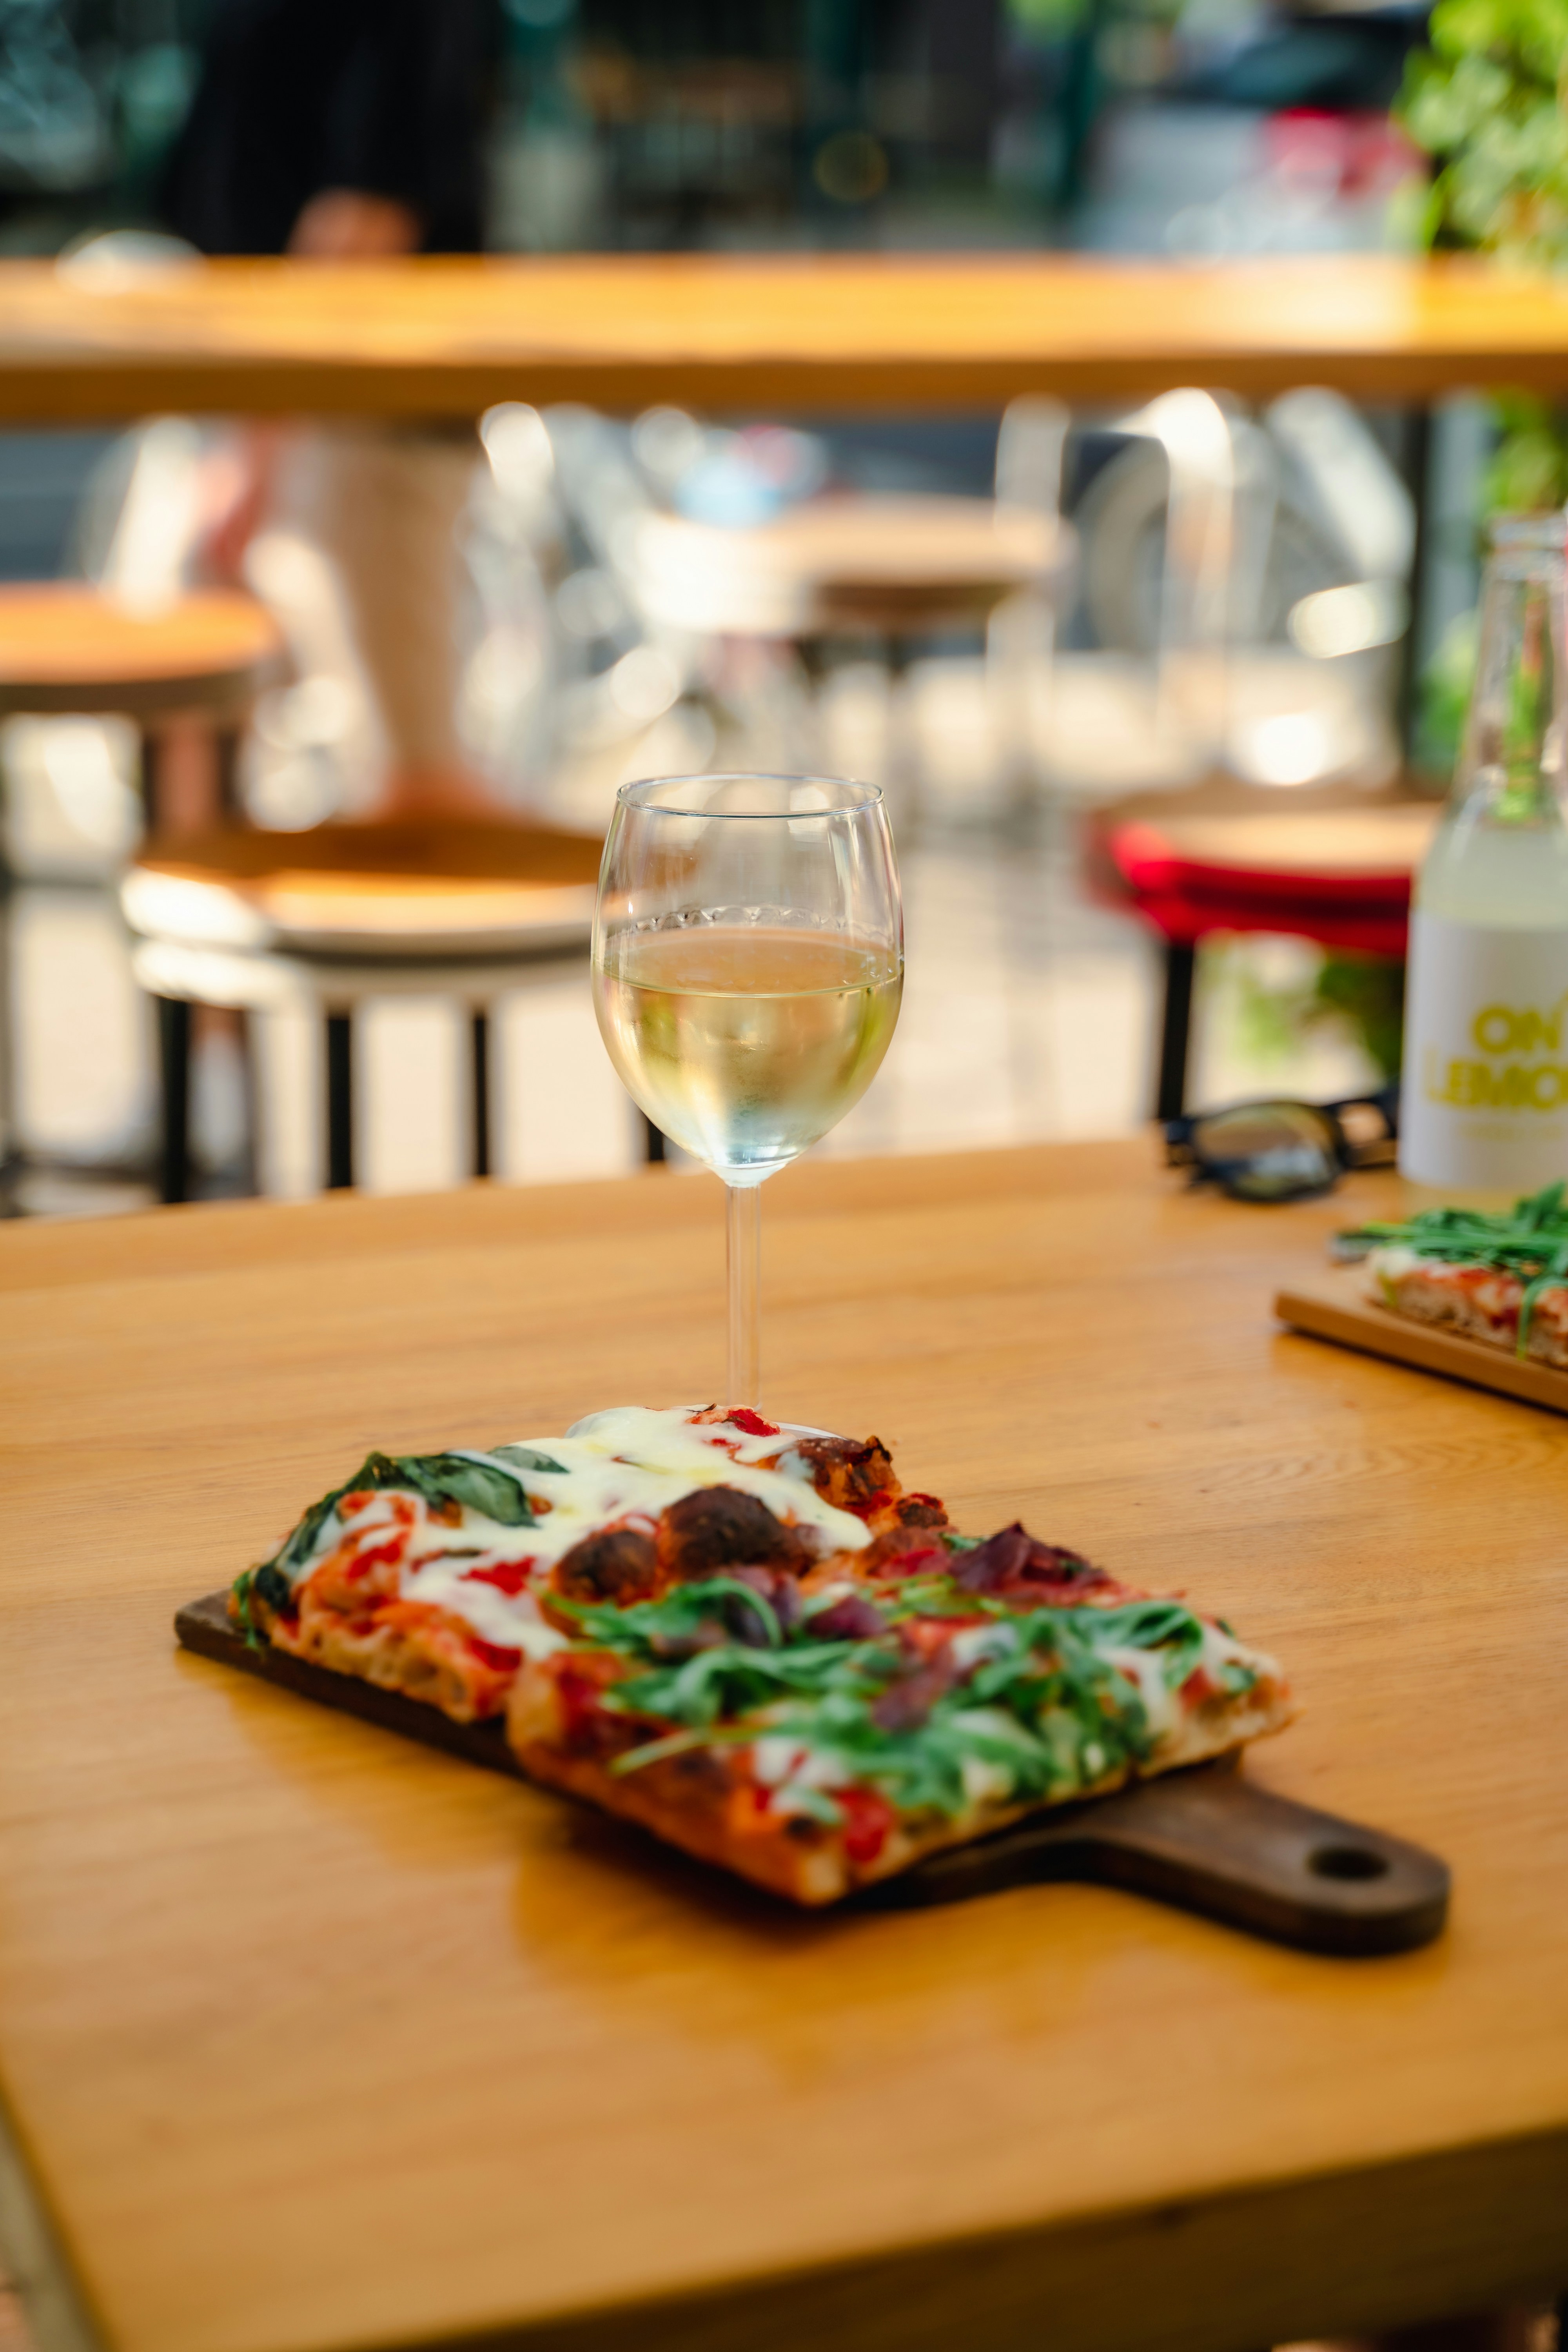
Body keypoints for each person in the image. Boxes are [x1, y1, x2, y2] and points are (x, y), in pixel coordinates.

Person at [162, 0, 505, 819]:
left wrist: (257, 444)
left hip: (353, 414)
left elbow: (368, 214)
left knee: (409, 780)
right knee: (182, 719)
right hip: (270, 395)